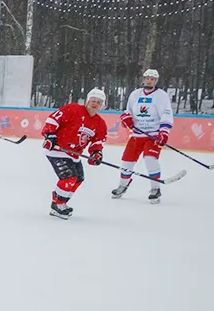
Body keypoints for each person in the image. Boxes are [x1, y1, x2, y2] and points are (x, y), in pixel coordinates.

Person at [41, 88, 108, 219]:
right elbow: (53, 120)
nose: (95, 104)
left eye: (99, 102)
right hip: (58, 150)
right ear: (87, 101)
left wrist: (96, 153)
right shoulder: (73, 109)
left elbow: (98, 141)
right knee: (68, 178)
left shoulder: (100, 123)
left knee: (78, 179)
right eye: (93, 100)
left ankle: (61, 202)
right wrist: (50, 135)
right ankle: (57, 204)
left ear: (102, 105)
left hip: (74, 154)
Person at [113, 68, 173, 204]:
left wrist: (164, 132)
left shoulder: (161, 95)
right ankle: (123, 185)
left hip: (153, 135)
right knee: (127, 161)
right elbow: (127, 111)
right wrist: (126, 119)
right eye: (147, 78)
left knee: (150, 159)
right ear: (143, 79)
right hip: (136, 135)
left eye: (152, 79)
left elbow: (166, 113)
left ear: (156, 81)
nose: (149, 80)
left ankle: (155, 188)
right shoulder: (135, 94)